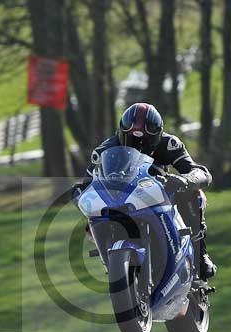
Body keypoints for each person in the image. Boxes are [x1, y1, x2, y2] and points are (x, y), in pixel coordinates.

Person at [80, 102, 216, 280]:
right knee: (92, 213)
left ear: (157, 135)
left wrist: (186, 180)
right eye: (133, 140)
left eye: (145, 140)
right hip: (121, 199)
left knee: (195, 195)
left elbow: (200, 171)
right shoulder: (105, 149)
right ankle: (110, 261)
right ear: (121, 135)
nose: (139, 145)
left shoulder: (169, 144)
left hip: (159, 195)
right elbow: (87, 184)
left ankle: (200, 254)